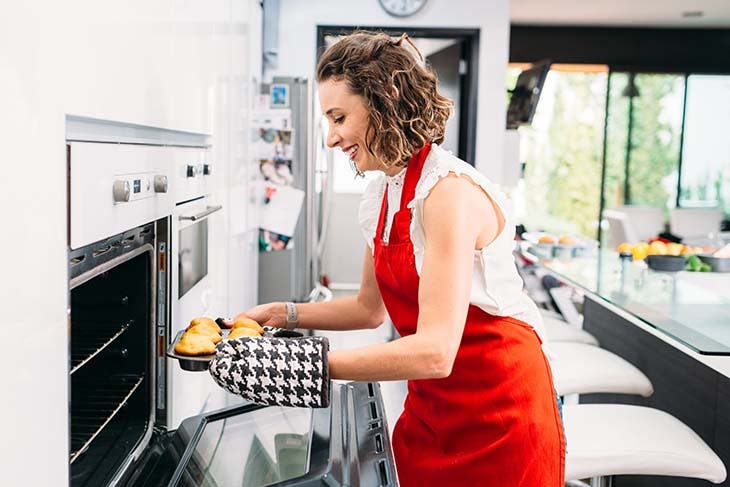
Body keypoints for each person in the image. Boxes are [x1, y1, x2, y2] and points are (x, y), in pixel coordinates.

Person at [217, 31, 565, 486]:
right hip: (431, 408)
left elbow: (437, 351)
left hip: (500, 411)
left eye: (338, 117)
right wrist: (281, 314)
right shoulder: (381, 192)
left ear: (386, 97)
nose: (331, 137)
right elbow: (369, 308)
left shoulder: (448, 193)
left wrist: (305, 363)